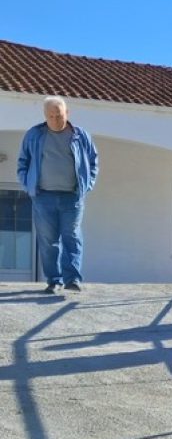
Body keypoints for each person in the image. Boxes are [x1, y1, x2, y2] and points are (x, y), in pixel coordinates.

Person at [17, 96, 99, 294]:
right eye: (51, 116)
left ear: (67, 113)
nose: (55, 120)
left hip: (72, 197)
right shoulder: (34, 135)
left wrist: (87, 185)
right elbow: (23, 163)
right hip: (43, 197)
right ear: (45, 116)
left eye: (59, 115)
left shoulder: (81, 136)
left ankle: (73, 279)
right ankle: (54, 280)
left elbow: (93, 161)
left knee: (72, 237)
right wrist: (29, 186)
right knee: (48, 241)